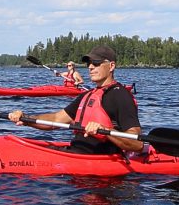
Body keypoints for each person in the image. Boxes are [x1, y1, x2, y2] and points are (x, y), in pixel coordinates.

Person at [8, 44, 142, 154]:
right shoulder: (87, 95)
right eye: (89, 63)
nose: (90, 67)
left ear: (111, 66)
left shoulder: (121, 96)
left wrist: (105, 131)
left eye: (96, 63)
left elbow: (137, 143)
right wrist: (26, 119)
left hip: (100, 166)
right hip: (75, 153)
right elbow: (56, 119)